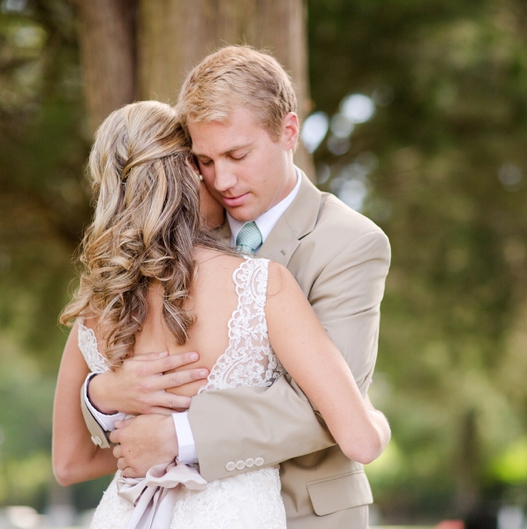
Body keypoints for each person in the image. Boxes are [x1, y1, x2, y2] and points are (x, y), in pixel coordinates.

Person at [77, 46, 392, 528]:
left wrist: (178, 435)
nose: (222, 179)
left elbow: (323, 409)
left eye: (238, 155)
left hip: (309, 514)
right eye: (204, 160)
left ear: (289, 131)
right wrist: (106, 394)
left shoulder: (350, 243)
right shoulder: (174, 240)